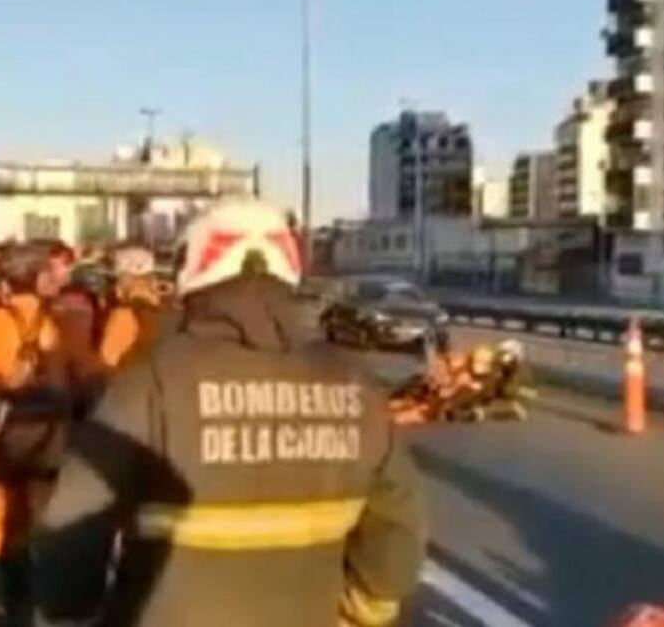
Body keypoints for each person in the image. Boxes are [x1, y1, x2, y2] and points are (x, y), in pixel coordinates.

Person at [32, 199, 425, 627]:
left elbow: (72, 524)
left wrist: (72, 610)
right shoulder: (355, 384)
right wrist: (362, 608)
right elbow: (399, 523)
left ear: (195, 269)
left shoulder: (150, 382)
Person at [99, 244, 162, 369]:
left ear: (125, 279)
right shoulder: (171, 313)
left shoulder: (123, 317)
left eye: (117, 279)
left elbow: (109, 360)